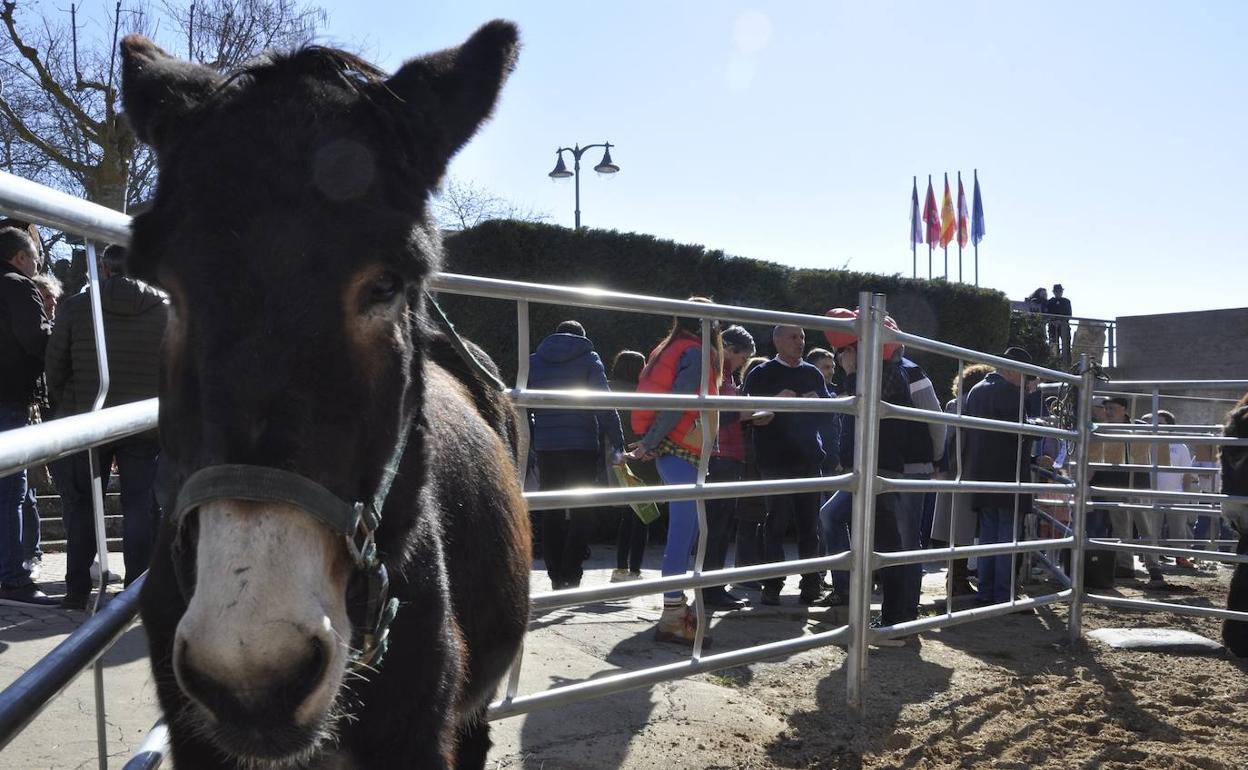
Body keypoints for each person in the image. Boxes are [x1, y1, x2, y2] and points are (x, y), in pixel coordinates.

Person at [45, 244, 170, 608]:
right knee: (139, 505)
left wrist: (69, 403)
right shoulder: (165, 311)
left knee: (84, 505)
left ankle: (77, 590)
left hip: (88, 418)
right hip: (143, 424)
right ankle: (136, 590)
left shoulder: (76, 306)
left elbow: (55, 365)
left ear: (105, 267)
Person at [626, 300, 721, 645]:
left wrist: (650, 441)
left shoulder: (671, 347)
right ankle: (672, 617)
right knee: (682, 535)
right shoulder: (696, 352)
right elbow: (681, 401)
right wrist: (651, 441)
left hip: (674, 451)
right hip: (680, 450)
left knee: (685, 533)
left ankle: (675, 611)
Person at [527, 320, 625, 591]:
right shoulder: (588, 358)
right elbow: (603, 402)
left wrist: (532, 441)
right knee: (582, 510)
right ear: (582, 337)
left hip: (547, 445)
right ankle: (572, 572)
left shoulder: (534, 361)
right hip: (582, 443)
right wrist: (618, 442)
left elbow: (524, 405)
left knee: (552, 511)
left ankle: (555, 574)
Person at [743, 324, 832, 606]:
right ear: (777, 340)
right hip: (775, 460)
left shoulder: (812, 373)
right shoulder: (761, 374)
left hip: (807, 459)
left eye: (803, 337)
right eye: (794, 337)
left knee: (810, 525)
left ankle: (810, 584)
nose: (800, 342)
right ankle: (772, 585)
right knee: (775, 524)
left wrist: (816, 404)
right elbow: (747, 415)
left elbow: (829, 416)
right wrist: (772, 406)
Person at [0, 226, 58, 606]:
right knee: (12, 491)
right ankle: (13, 579)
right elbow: (38, 341)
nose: (38, 263)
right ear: (21, 258)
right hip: (9, 398)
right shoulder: (17, 286)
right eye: (35, 256)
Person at [962, 346, 1035, 607]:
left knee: (988, 537)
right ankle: (1003, 594)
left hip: (982, 475)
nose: (1026, 380)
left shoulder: (976, 390)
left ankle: (985, 591)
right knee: (1007, 538)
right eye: (1025, 374)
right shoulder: (1011, 393)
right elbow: (1021, 432)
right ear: (1014, 370)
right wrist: (1037, 428)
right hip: (1008, 474)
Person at [701, 325, 756, 609]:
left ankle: (712, 587)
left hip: (727, 454)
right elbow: (719, 410)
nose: (742, 364)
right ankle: (710, 590)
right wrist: (755, 411)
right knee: (717, 526)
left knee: (719, 526)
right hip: (721, 455)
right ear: (731, 350)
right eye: (742, 358)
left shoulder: (724, 372)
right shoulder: (717, 370)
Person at [931, 363, 995, 597]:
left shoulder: (962, 403)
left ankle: (957, 578)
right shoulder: (961, 405)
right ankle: (955, 580)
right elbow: (952, 441)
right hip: (962, 471)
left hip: (963, 470)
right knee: (960, 528)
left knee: (961, 528)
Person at [608, 349, 650, 582]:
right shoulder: (642, 393)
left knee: (626, 515)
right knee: (643, 515)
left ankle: (620, 568)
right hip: (641, 455)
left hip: (617, 456)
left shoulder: (608, 390)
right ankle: (634, 569)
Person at [1142, 410, 1199, 570]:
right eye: (1155, 422)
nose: (1156, 426)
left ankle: (1181, 558)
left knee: (1179, 530)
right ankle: (1150, 559)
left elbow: (1187, 473)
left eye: (1161, 423)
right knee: (1152, 528)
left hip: (1175, 493)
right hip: (1152, 493)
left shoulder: (1180, 447)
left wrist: (1186, 494)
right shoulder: (1147, 443)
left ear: (1170, 427)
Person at [1044, 284, 1073, 365]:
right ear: (1054, 292)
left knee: (1066, 345)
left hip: (1064, 326)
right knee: (1053, 344)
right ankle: (1054, 363)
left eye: (1060, 291)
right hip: (1053, 326)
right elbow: (1047, 314)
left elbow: (1069, 314)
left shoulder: (1066, 301)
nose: (1058, 293)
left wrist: (1061, 321)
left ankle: (1067, 363)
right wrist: (1053, 321)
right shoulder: (1050, 302)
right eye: (1057, 291)